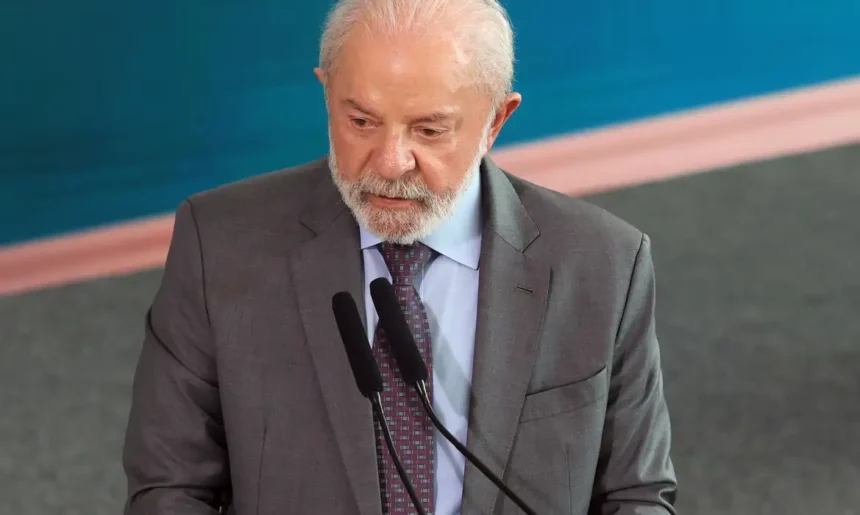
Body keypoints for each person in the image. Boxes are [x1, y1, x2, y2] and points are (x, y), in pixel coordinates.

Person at [122, 0, 678, 513]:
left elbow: (635, 494)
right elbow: (170, 488)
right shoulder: (219, 243)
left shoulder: (604, 263)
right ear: (326, 93)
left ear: (496, 121)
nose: (390, 163)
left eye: (429, 130)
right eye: (361, 122)